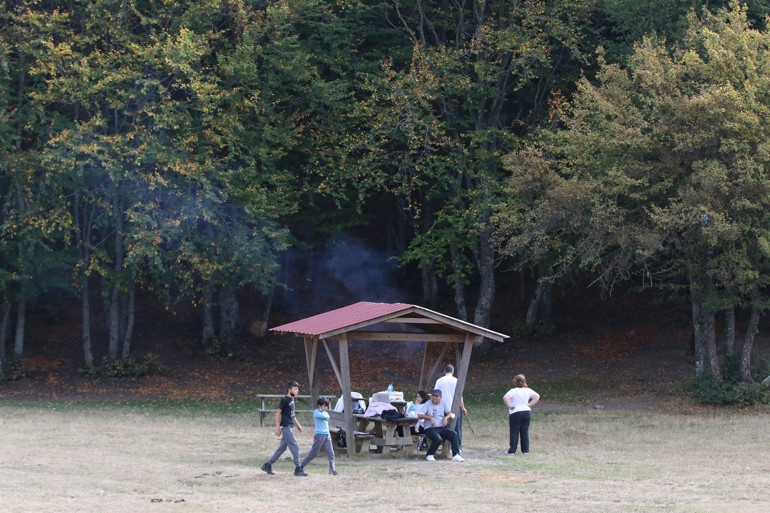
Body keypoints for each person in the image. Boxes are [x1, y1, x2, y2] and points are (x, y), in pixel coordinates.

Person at [260, 380, 307, 476]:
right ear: (290, 390)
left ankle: (267, 465)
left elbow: (292, 415)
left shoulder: (292, 400)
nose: (297, 391)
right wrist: (278, 428)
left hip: (290, 426)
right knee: (295, 447)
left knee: (282, 448)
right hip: (285, 427)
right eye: (295, 389)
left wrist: (298, 425)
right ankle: (298, 469)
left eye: (298, 389)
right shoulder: (285, 400)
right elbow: (277, 413)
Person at [417, 389, 464, 462]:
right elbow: (420, 414)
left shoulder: (443, 403)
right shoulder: (428, 404)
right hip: (430, 428)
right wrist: (430, 418)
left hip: (441, 427)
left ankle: (455, 455)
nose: (434, 398)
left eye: (437, 396)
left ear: (440, 397)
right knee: (437, 438)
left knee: (454, 434)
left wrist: (446, 418)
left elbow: (449, 413)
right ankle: (430, 454)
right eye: (433, 396)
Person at [299, 397, 338, 475]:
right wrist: (324, 413)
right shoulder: (316, 412)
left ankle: (332, 470)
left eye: (327, 406)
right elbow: (325, 417)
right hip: (319, 435)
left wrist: (325, 413)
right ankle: (300, 467)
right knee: (314, 453)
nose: (326, 408)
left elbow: (327, 416)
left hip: (327, 434)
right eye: (324, 406)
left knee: (331, 453)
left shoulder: (325, 412)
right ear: (319, 406)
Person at [503, 374, 540, 455]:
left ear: (515, 382)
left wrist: (509, 406)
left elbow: (505, 398)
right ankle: (525, 450)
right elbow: (537, 396)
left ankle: (512, 450)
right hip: (526, 412)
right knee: (525, 432)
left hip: (515, 412)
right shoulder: (528, 390)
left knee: (514, 431)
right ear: (524, 382)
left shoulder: (513, 391)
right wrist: (530, 405)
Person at [435, 364, 467, 449]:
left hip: (443, 408)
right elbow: (460, 396)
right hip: (455, 408)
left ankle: (443, 447)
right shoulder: (457, 381)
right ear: (453, 372)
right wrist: (463, 408)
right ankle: (457, 448)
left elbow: (436, 395)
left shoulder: (439, 381)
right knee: (456, 428)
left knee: (442, 428)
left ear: (444, 371)